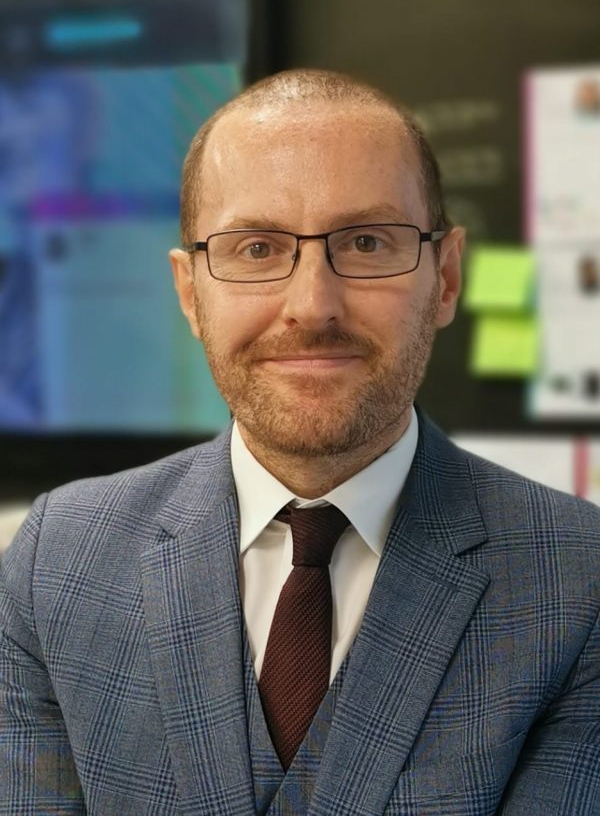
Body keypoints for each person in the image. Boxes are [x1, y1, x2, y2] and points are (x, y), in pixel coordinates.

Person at [1, 69, 599, 815]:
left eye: (369, 241)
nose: (312, 306)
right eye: (256, 248)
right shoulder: (56, 562)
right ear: (190, 293)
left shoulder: (581, 583)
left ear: (445, 278)